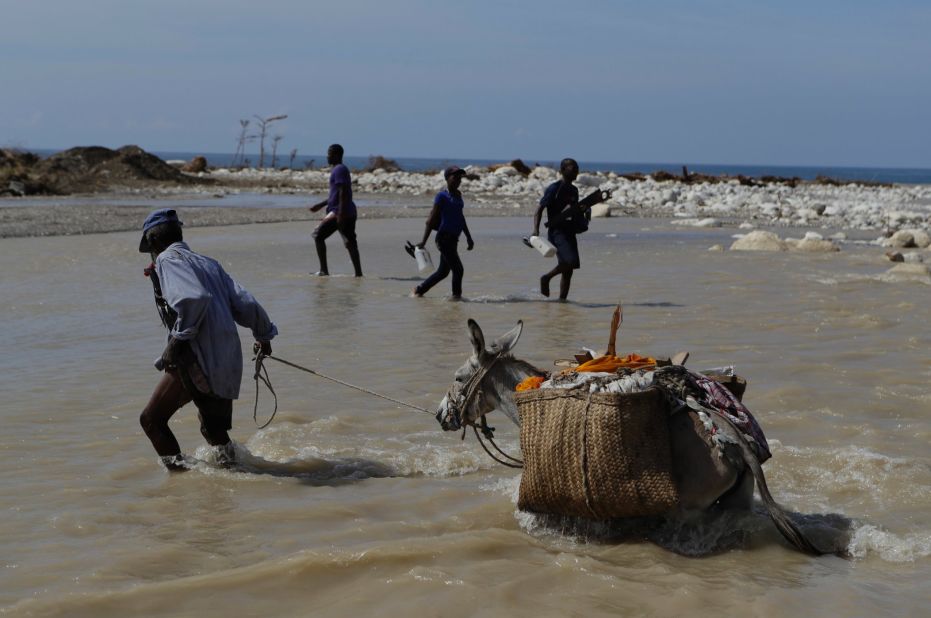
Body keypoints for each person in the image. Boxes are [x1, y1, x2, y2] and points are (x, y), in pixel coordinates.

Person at [138, 209, 278, 471]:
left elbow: (194, 298)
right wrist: (263, 334)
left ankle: (180, 481)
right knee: (213, 432)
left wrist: (177, 341)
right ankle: (232, 475)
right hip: (227, 356)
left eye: (151, 249)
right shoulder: (208, 263)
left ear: (155, 242)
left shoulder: (168, 259)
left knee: (151, 420)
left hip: (198, 355)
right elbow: (245, 302)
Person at [531, 157, 602, 301]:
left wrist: (585, 212)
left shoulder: (574, 190)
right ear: (562, 171)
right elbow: (539, 209)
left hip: (569, 231)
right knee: (569, 261)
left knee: (569, 269)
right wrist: (535, 230)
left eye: (577, 168)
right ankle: (546, 278)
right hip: (557, 232)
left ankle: (562, 302)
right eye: (572, 168)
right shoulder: (554, 188)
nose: (576, 171)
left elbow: (573, 210)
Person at [412, 166, 476, 299]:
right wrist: (423, 242)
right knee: (458, 270)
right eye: (455, 177)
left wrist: (468, 237)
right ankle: (456, 299)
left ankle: (419, 290)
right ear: (447, 179)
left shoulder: (458, 195)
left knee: (443, 272)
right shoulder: (441, 196)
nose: (458, 180)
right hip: (443, 239)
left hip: (454, 239)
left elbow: (460, 217)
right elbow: (430, 220)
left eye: (460, 178)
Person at [308, 144, 363, 277]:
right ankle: (358, 274)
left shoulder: (338, 169)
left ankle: (323, 270)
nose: (327, 156)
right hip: (348, 210)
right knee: (350, 242)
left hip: (341, 211)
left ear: (337, 155)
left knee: (318, 235)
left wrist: (340, 214)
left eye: (330, 154)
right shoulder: (340, 169)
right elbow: (336, 195)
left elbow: (343, 192)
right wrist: (320, 205)